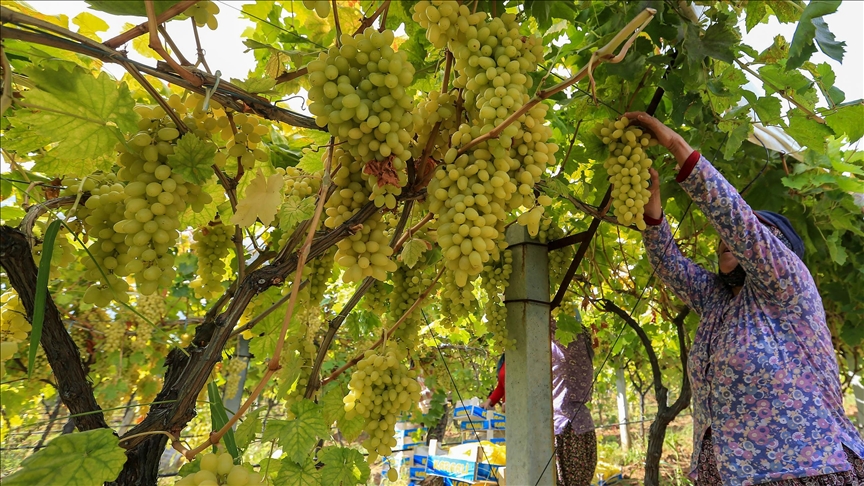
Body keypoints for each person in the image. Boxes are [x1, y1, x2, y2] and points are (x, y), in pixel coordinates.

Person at [631, 111, 864, 485]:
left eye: (752, 233)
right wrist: (651, 206)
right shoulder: (718, 304)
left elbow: (738, 223)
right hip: (731, 473)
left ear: (777, 248)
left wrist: (676, 146)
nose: (726, 238)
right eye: (721, 236)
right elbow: (669, 264)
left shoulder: (788, 287)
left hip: (802, 469)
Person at [481, 319, 597, 485]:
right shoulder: (575, 340)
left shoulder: (563, 337)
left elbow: (536, 315)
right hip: (578, 425)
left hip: (566, 428)